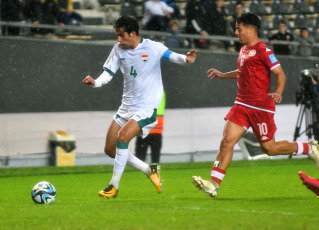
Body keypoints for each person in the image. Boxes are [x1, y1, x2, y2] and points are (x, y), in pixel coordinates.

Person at [191, 12, 319, 198]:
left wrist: (278, 92)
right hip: (241, 105)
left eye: (239, 28)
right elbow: (242, 71)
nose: (236, 32)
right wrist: (222, 75)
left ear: (251, 30)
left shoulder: (264, 51)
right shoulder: (244, 50)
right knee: (226, 142)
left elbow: (280, 75)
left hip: (260, 108)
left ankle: (309, 148)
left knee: (270, 149)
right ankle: (213, 185)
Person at [82, 15, 197, 199]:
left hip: (146, 108)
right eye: (117, 36)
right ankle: (148, 169)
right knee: (110, 150)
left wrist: (186, 59)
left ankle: (113, 186)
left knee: (123, 138)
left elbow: (173, 57)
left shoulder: (153, 47)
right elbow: (108, 73)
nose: (119, 40)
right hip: (126, 107)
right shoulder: (118, 49)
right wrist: (95, 83)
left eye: (122, 35)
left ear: (133, 33)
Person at [135, 91, 166, 163]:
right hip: (157, 130)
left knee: (139, 159)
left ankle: (140, 171)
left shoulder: (144, 91)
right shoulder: (161, 92)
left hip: (144, 129)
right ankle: (154, 172)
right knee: (155, 158)